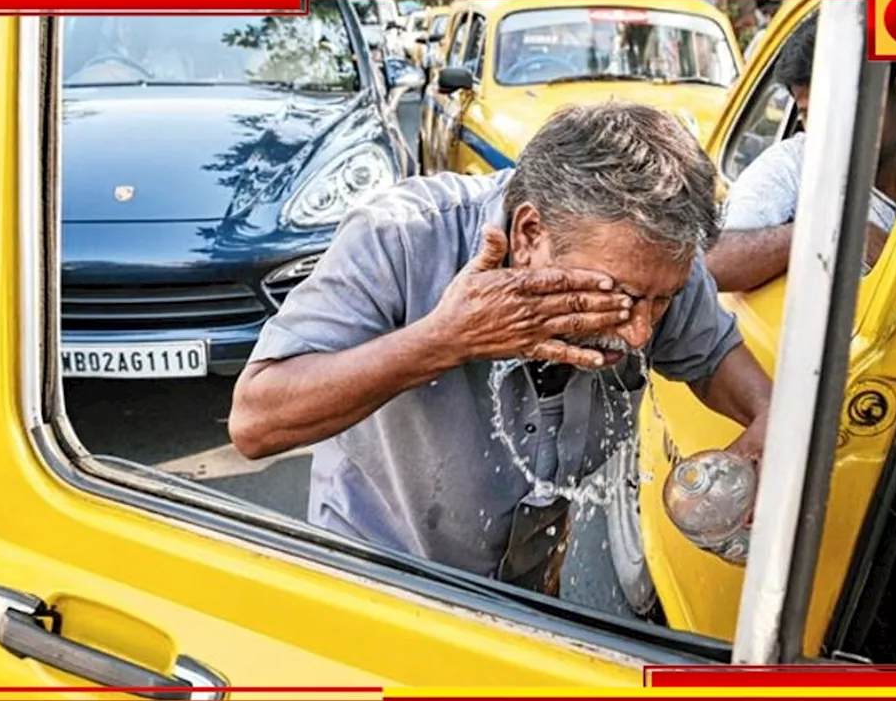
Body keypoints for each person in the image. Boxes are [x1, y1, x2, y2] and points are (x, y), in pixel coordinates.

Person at [229, 101, 773, 597]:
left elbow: (716, 361)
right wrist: (445, 340)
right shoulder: (401, 238)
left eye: (662, 303)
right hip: (374, 582)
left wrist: (767, 428)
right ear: (530, 232)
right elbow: (257, 422)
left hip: (524, 595)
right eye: (619, 299)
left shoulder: (650, 266)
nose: (638, 335)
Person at [704, 13, 896, 293]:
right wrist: (827, 234)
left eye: (850, 104)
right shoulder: (794, 165)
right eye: (811, 114)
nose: (833, 128)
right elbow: (710, 263)